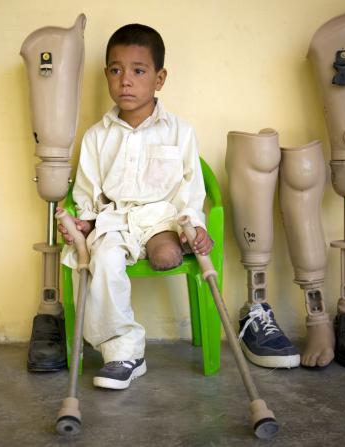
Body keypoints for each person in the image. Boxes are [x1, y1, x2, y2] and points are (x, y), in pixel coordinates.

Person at [59, 24, 213, 390]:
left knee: (165, 256)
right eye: (116, 70)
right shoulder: (97, 136)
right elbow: (88, 192)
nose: (125, 80)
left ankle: (167, 246)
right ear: (106, 75)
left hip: (162, 219)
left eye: (138, 71)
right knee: (103, 260)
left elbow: (191, 188)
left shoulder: (180, 131)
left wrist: (194, 225)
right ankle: (125, 353)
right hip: (114, 220)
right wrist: (84, 223)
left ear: (159, 79)